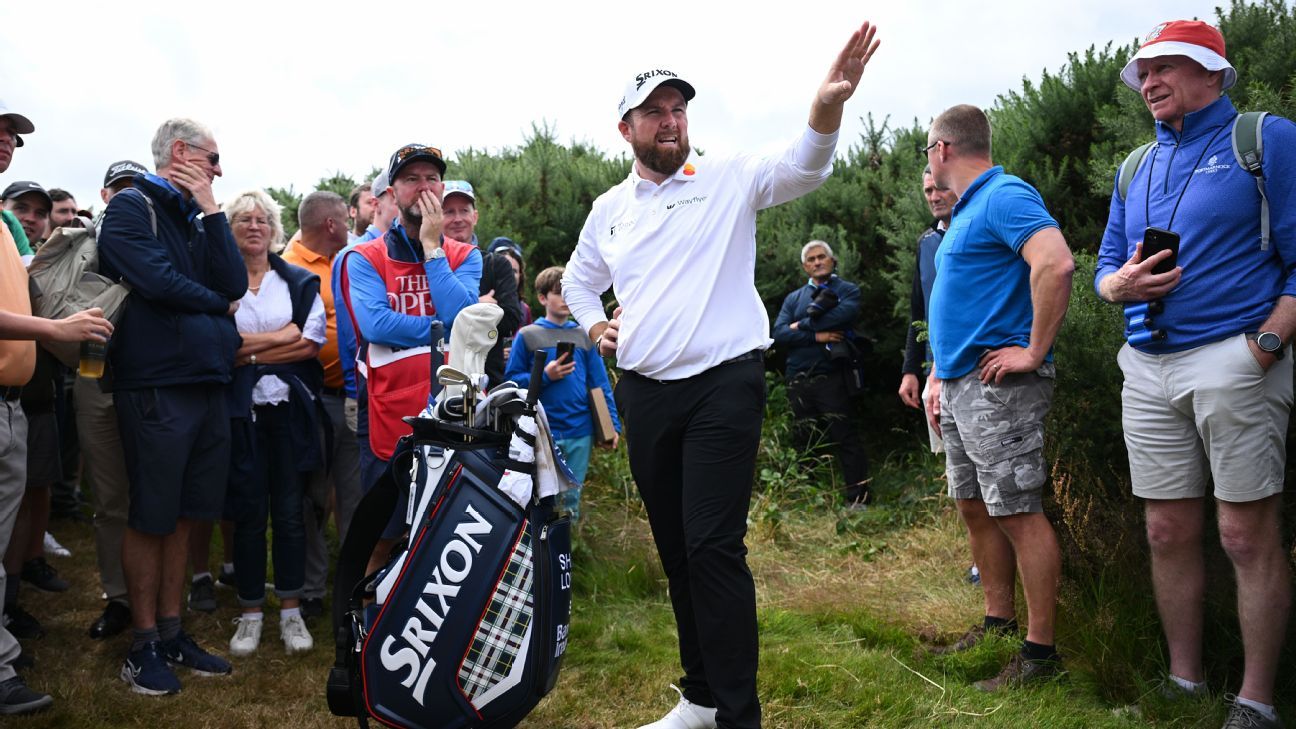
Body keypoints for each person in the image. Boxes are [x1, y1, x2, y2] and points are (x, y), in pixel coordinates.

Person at [561, 24, 881, 729]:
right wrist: (592, 326)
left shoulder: (728, 173)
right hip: (645, 393)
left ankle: (738, 715)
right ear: (627, 128)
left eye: (679, 109)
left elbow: (803, 167)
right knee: (678, 550)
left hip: (723, 384)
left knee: (712, 545)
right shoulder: (608, 211)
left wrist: (826, 106)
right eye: (655, 111)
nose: (671, 121)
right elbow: (583, 282)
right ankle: (700, 697)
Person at [1093, 20, 1295, 729]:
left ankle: (1257, 701)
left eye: (1165, 68)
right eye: (1143, 73)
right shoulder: (1134, 165)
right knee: (1166, 530)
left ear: (1212, 71)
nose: (1149, 82)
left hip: (1235, 358)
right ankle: (1184, 685)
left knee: (1245, 534)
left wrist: (1266, 343)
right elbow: (1103, 267)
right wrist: (1118, 289)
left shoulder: (1265, 139)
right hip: (1147, 367)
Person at [922, 104, 1074, 691]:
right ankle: (998, 622)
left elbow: (1056, 263)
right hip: (961, 386)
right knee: (976, 506)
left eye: (928, 153)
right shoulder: (966, 209)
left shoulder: (1005, 194)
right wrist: (940, 373)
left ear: (941, 150)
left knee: (1017, 511)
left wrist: (1033, 352)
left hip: (1000, 389)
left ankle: (1040, 657)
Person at [98, 117, 246, 695]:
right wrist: (216, 306)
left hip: (208, 381)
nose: (218, 169)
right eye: (212, 158)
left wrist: (212, 210)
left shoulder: (194, 215)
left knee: (189, 513)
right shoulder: (131, 207)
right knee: (151, 514)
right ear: (180, 152)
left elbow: (234, 282)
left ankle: (171, 629)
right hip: (157, 382)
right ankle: (142, 645)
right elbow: (157, 282)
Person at [0, 98, 113, 715]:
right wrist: (55, 331)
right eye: (0, 133)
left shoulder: (2, 228)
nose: (6, 143)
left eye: (13, 137)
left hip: (19, 402)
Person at [336, 144, 479, 573]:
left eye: (431, 178)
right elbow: (376, 325)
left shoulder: (466, 255)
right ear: (392, 193)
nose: (424, 188)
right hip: (387, 412)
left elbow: (463, 316)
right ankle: (366, 627)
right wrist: (443, 327)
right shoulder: (363, 257)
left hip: (456, 410)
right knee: (384, 534)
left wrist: (434, 247)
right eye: (411, 179)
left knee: (447, 530)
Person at [221, 189, 326, 656]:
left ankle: (290, 610)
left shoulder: (298, 282)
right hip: (241, 413)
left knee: (288, 512)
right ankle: (248, 613)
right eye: (244, 218)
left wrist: (251, 350)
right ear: (230, 228)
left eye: (263, 219)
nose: (254, 226)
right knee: (246, 512)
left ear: (275, 229)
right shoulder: (218, 285)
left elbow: (309, 343)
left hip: (288, 411)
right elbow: (221, 347)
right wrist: (276, 338)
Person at [81, 158, 152, 642]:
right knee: (110, 499)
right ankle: (119, 598)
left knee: (155, 494)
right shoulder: (80, 243)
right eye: (120, 188)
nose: (128, 195)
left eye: (137, 188)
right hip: (94, 371)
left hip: (151, 377)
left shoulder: (163, 238)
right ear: (105, 196)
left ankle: (163, 595)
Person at [281, 191, 360, 621]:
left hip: (351, 398)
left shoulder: (349, 260)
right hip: (308, 401)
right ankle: (311, 588)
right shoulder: (287, 267)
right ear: (330, 224)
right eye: (346, 220)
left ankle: (351, 591)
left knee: (354, 498)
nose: (350, 226)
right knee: (312, 498)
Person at [504, 266, 620, 522]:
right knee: (542, 497)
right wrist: (546, 375)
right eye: (559, 293)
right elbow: (511, 382)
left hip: (581, 430)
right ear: (543, 298)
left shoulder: (584, 334)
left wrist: (612, 426)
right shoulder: (527, 335)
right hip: (543, 431)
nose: (566, 299)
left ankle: (567, 552)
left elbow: (599, 383)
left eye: (569, 292)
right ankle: (543, 551)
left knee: (571, 500)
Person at [772, 240, 870, 507]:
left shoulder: (847, 290)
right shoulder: (794, 298)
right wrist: (817, 336)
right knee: (804, 438)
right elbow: (778, 333)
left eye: (821, 257)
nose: (817, 262)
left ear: (832, 260)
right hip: (798, 377)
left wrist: (801, 325)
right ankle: (807, 499)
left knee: (844, 436)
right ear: (805, 266)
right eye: (811, 259)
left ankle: (858, 498)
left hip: (834, 376)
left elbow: (843, 316)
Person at [899, 166, 957, 453]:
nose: (934, 197)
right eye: (928, 191)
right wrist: (910, 370)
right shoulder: (926, 243)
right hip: (933, 371)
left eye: (940, 188)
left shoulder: (976, 230)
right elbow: (918, 314)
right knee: (951, 464)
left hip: (974, 367)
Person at [441, 180, 520, 385]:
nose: (457, 219)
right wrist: (477, 305)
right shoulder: (429, 264)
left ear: (474, 216)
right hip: (438, 376)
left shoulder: (496, 264)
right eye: (449, 211)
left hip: (486, 379)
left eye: (464, 211)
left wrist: (456, 311)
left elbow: (511, 318)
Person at [1, 181, 50, 248]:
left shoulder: (54, 257)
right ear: (1, 207)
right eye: (21, 208)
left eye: (40, 213)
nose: (31, 219)